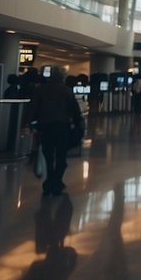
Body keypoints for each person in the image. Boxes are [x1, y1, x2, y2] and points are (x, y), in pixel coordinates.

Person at [25, 67, 84, 197]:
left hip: (45, 127)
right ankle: (56, 182)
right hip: (62, 127)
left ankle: (50, 180)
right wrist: (78, 122)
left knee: (48, 155)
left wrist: (28, 123)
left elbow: (32, 107)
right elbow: (74, 109)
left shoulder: (40, 90)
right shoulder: (66, 90)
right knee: (61, 157)